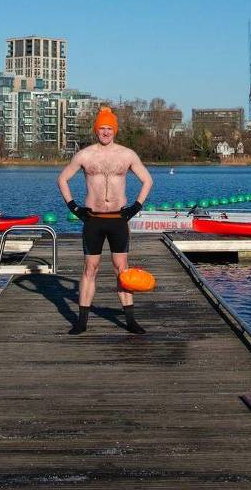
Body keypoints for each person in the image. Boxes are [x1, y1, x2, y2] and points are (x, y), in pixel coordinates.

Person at [57, 106, 153, 335]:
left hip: (119, 219)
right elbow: (62, 179)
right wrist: (74, 207)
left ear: (115, 130)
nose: (106, 132)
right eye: (102, 128)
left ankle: (130, 321)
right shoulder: (85, 155)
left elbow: (147, 181)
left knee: (122, 268)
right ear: (96, 130)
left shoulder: (127, 155)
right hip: (93, 220)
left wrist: (136, 207)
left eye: (109, 128)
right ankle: (81, 322)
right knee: (90, 268)